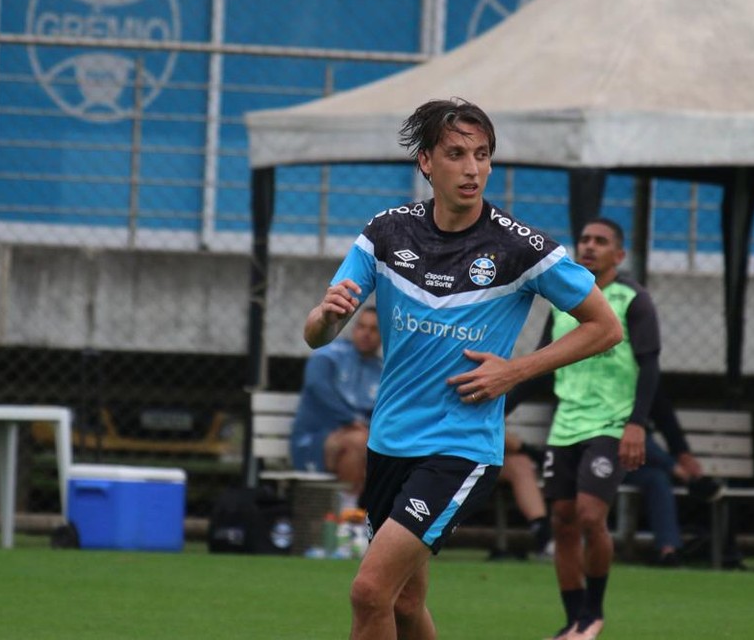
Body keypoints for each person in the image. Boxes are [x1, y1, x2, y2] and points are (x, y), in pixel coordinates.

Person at [302, 98, 623, 640]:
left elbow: (605, 327)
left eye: (482, 154)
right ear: (426, 162)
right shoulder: (386, 234)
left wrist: (514, 371)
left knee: (368, 591)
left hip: (459, 448)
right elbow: (319, 333)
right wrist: (324, 317)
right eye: (457, 154)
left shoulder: (520, 248)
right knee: (404, 604)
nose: (473, 168)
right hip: (389, 443)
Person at [507, 217, 656, 640]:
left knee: (592, 516)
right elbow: (537, 366)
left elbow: (651, 367)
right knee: (563, 520)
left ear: (619, 255)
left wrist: (637, 425)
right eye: (585, 240)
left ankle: (593, 613)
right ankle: (574, 619)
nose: (589, 247)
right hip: (565, 426)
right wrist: (499, 407)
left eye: (601, 241)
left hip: (609, 425)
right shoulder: (562, 302)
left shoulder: (633, 300)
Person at [289, 306, 382, 507]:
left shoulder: (382, 369)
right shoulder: (329, 355)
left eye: (374, 329)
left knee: (366, 444)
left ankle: (348, 518)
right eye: (361, 327)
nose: (366, 334)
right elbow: (316, 386)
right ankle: (348, 514)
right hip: (314, 442)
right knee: (358, 442)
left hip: (359, 443)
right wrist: (351, 419)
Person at [621, 389, 723, 567]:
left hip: (633, 464)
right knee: (629, 435)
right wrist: (675, 465)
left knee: (657, 479)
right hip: (602, 459)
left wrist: (683, 453)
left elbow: (665, 418)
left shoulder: (644, 381)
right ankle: (682, 474)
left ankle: (668, 550)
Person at [498, 429, 551, 557]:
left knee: (520, 465)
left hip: (481, 460)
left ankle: (544, 535)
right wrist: (534, 453)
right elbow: (492, 427)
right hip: (449, 454)